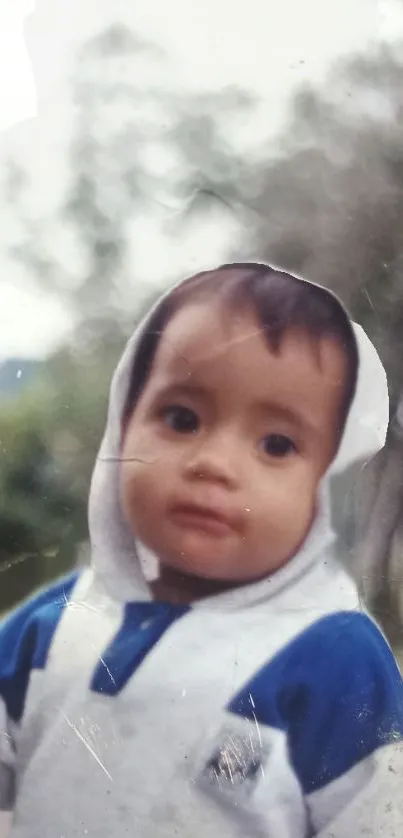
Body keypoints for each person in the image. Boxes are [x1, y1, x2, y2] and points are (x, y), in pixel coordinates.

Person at [0, 262, 402, 838]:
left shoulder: (333, 658)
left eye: (276, 444)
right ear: (122, 424)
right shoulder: (53, 629)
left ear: (324, 483)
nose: (214, 463)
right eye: (182, 418)